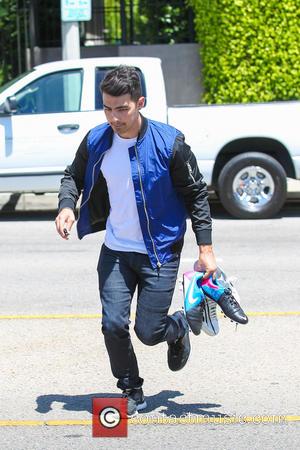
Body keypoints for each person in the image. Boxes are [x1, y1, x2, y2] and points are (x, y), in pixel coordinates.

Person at [55, 65, 218, 417]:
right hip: (116, 249)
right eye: (107, 109)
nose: (114, 118)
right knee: (112, 324)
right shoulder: (97, 139)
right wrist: (68, 206)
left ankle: (177, 329)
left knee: (148, 331)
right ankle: (131, 389)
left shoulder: (169, 143)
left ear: (140, 103)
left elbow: (196, 195)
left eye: (122, 109)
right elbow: (72, 175)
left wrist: (205, 249)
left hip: (159, 250)